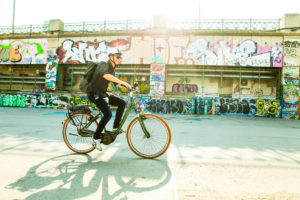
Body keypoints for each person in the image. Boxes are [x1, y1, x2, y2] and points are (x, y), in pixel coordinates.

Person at [88, 48, 132, 151]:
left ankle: (116, 127)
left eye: (120, 57)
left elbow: (117, 84)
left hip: (102, 93)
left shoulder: (112, 69)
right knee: (108, 114)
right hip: (94, 93)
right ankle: (95, 138)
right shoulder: (103, 64)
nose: (119, 59)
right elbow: (106, 75)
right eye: (117, 56)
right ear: (111, 57)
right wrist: (122, 82)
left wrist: (128, 86)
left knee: (122, 103)